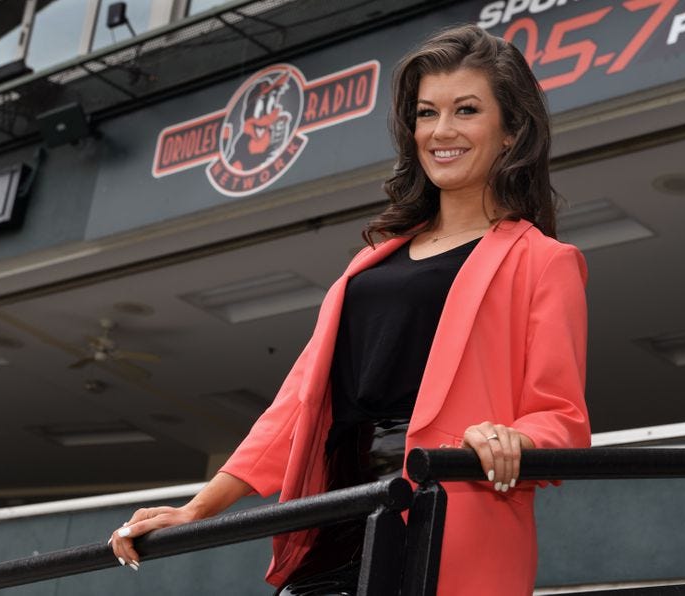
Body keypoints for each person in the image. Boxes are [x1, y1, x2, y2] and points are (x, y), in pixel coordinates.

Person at [109, 24, 590, 595]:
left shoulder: (544, 261)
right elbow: (297, 406)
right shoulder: (369, 264)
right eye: (425, 113)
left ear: (511, 130)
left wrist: (511, 437)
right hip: (334, 514)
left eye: (465, 110)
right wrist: (200, 507)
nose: (441, 131)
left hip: (446, 518)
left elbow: (561, 417)